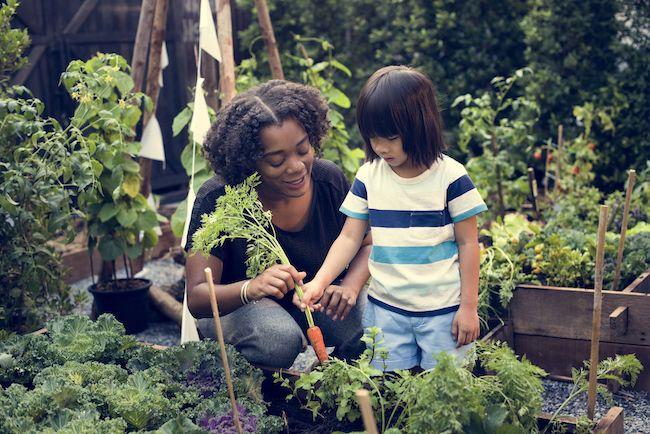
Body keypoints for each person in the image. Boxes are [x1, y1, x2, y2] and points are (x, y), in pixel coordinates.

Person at [300, 66, 487, 371]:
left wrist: (468, 308)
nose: (381, 147)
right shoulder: (369, 177)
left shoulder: (452, 177)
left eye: (390, 137)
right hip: (385, 310)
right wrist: (319, 282)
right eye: (373, 137)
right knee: (390, 390)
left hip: (443, 311)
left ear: (420, 126)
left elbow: (468, 244)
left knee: (446, 390)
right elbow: (350, 237)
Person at [185, 80, 371, 369]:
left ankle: (329, 374)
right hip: (241, 309)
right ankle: (240, 381)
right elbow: (197, 298)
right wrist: (251, 287)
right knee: (277, 340)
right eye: (276, 160)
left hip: (314, 299)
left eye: (302, 149)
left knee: (376, 317)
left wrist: (349, 286)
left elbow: (367, 245)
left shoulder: (328, 181)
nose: (296, 166)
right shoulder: (219, 198)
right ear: (249, 161)